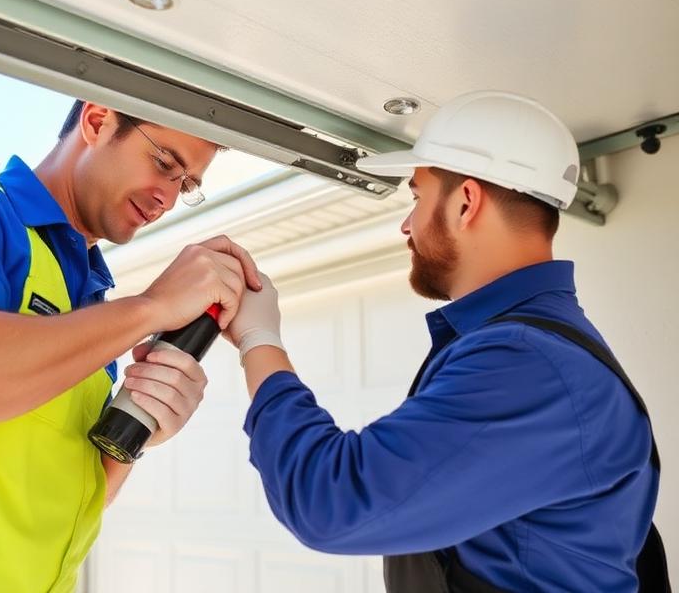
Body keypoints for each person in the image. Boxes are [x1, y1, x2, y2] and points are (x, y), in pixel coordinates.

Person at [224, 91, 668, 592]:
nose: (406, 224)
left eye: (416, 197)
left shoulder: (527, 363)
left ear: (465, 202)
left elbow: (332, 503)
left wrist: (258, 340)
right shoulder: (528, 349)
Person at [0, 100, 261, 592]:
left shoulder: (92, 301)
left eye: (184, 185)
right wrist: (150, 308)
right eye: (164, 163)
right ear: (98, 121)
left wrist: (132, 440)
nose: (166, 197)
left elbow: (60, 498)